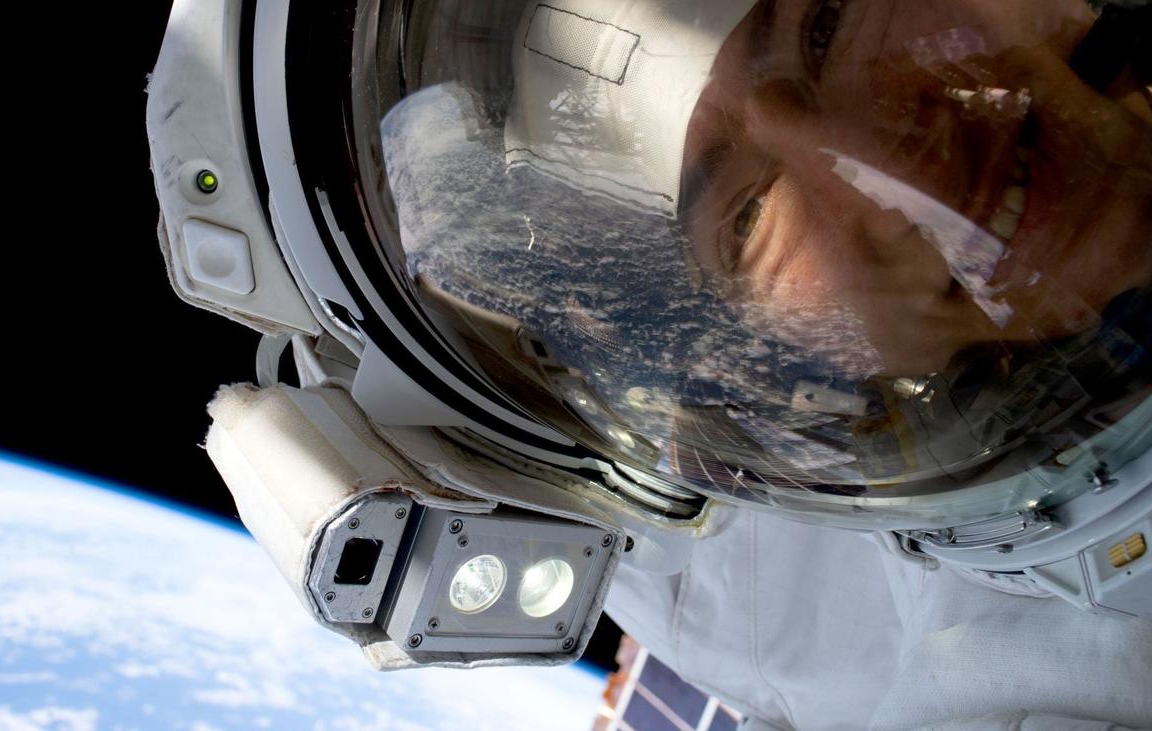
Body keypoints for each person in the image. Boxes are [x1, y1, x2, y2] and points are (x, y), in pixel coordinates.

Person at [147, 0, 1152, 726]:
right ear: (755, 362)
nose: (888, 173)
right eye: (748, 220)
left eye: (825, 22)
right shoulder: (1021, 662)